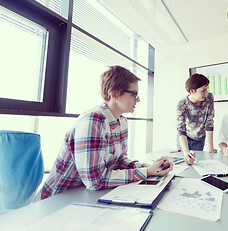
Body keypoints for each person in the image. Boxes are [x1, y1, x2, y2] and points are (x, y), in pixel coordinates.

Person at [40, 66, 173, 199]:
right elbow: (95, 182)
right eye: (134, 94)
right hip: (58, 199)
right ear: (114, 94)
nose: (138, 100)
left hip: (85, 195)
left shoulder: (121, 121)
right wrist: (146, 172)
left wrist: (148, 166)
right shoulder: (93, 121)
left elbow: (119, 161)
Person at [177, 73, 217, 165]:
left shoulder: (209, 98)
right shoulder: (182, 104)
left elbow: (209, 122)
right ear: (192, 91)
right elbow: (181, 129)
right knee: (184, 163)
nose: (206, 93)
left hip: (200, 139)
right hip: (185, 138)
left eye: (206, 89)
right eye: (203, 91)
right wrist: (186, 153)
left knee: (196, 164)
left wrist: (210, 147)